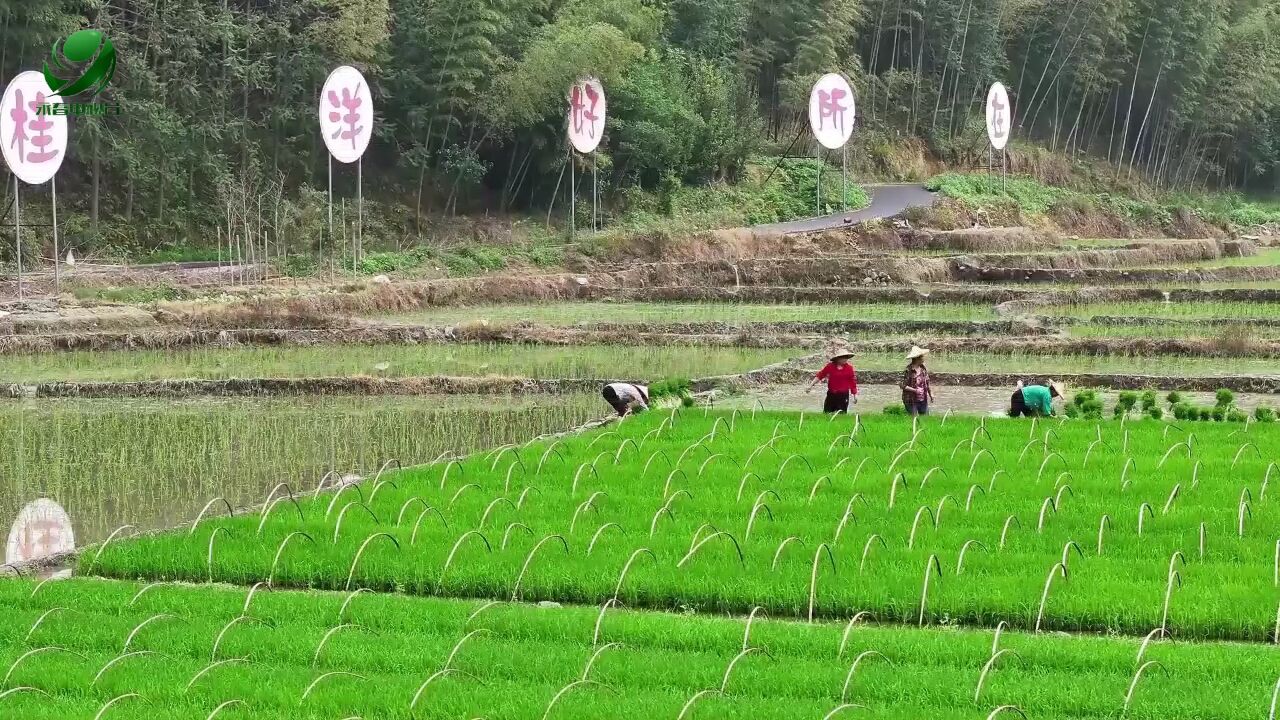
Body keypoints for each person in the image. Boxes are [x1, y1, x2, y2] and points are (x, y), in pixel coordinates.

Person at [807, 349, 858, 414]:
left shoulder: (849, 368)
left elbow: (852, 382)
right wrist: (810, 385)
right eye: (843, 357)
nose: (845, 359)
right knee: (827, 413)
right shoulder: (830, 366)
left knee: (841, 415)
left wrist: (855, 395)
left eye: (846, 357)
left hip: (843, 395)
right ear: (838, 358)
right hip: (831, 394)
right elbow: (820, 375)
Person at [900, 346, 933, 416]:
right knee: (915, 419)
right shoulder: (908, 370)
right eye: (922, 357)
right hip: (910, 399)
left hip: (922, 398)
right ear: (917, 358)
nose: (924, 358)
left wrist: (931, 394)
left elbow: (927, 382)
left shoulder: (923, 369)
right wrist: (915, 390)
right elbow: (902, 385)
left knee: (925, 418)